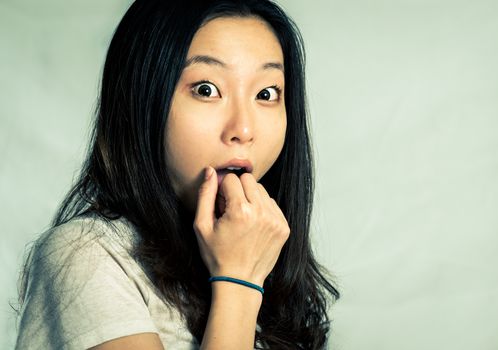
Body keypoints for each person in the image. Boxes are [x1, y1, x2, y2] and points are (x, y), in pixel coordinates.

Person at [15, 0, 339, 349]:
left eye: (266, 93)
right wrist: (239, 282)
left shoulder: (265, 255)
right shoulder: (86, 255)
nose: (243, 129)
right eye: (206, 89)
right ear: (144, 101)